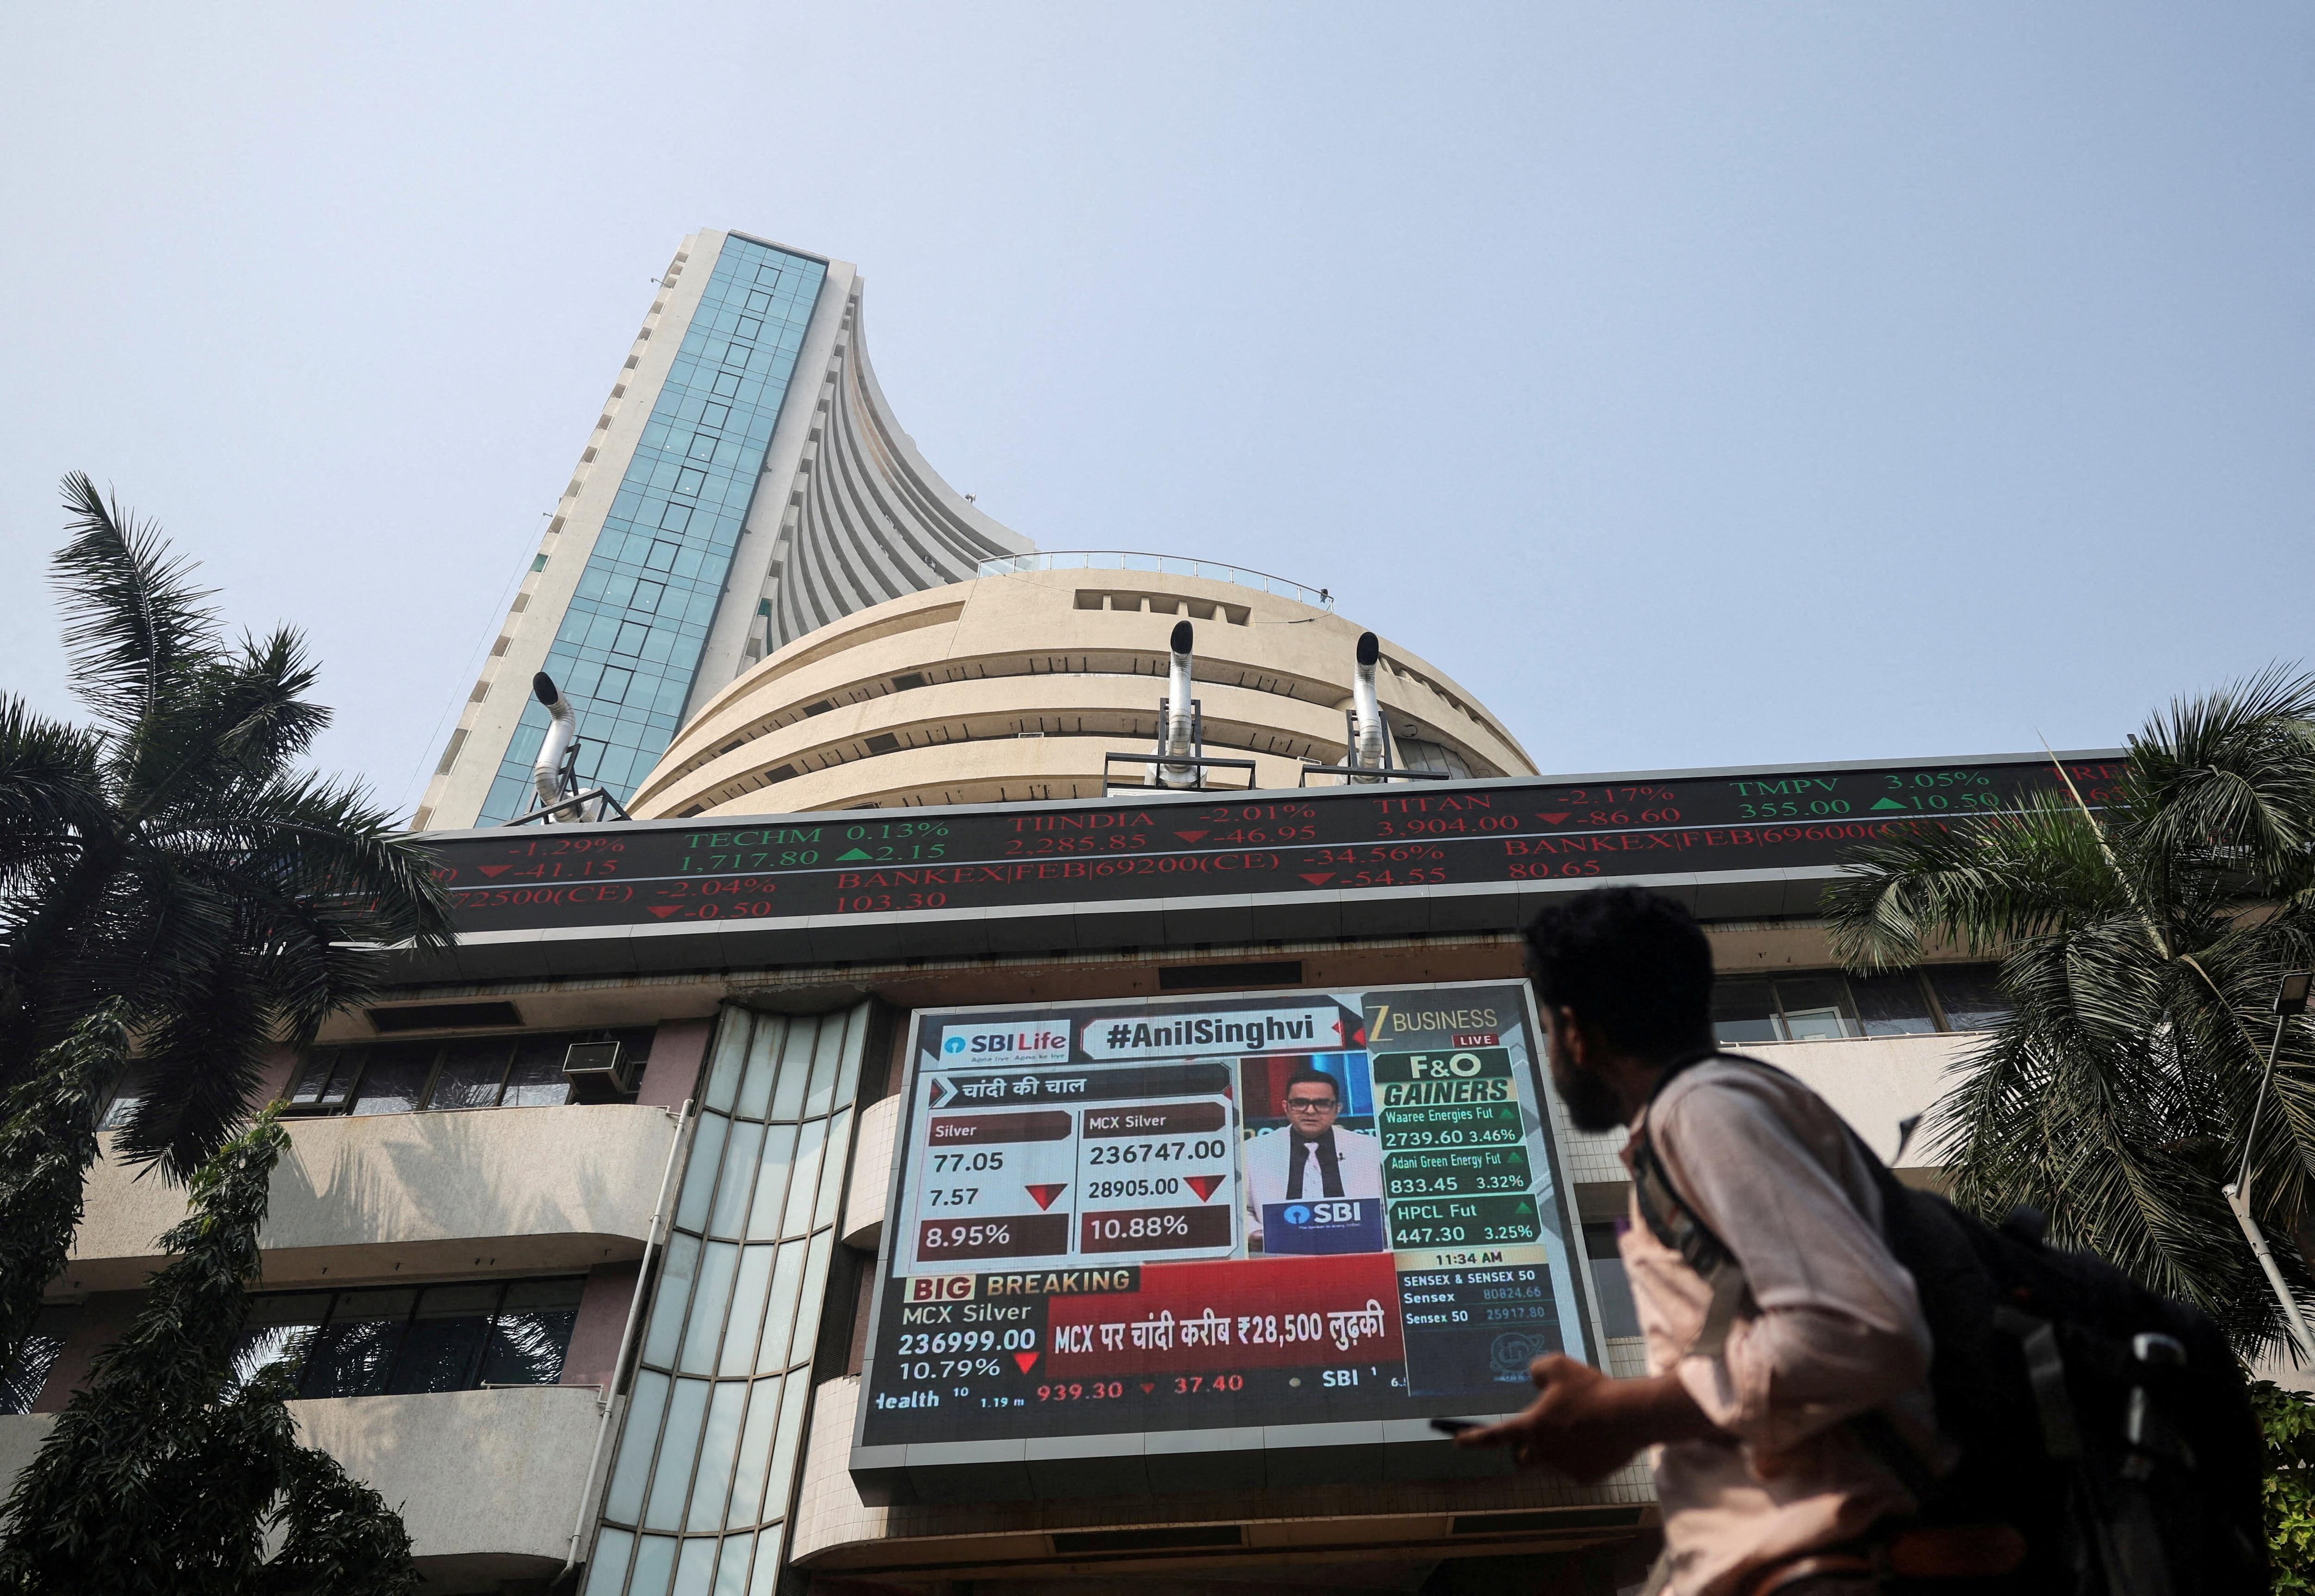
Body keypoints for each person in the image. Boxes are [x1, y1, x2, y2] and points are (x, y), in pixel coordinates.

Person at [1458, 887, 1940, 1596]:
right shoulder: (1695, 1123)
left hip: (1831, 1567)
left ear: (1575, 1031)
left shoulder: (1702, 1111)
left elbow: (1862, 1331)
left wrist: (1629, 1411)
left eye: (1547, 1030)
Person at [1240, 1064, 1383, 1248]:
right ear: (1286, 1107)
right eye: (1300, 1103)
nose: (1310, 1111)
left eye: (1322, 1104)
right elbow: (1241, 1210)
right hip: (1279, 1256)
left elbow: (1388, 1210)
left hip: (1358, 1253)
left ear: (1337, 1109)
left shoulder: (1370, 1149)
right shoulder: (1253, 1151)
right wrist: (1254, 1232)